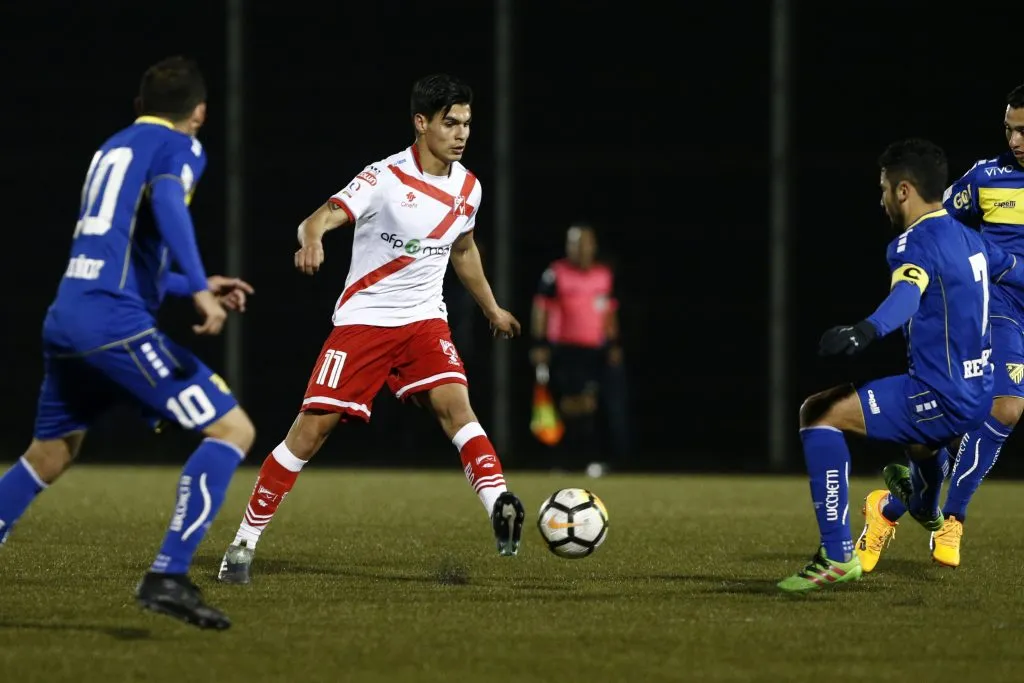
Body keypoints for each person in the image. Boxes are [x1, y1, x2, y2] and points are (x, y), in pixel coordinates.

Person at [217, 73, 524, 585]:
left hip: (426, 320)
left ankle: (499, 502)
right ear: (421, 123)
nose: (462, 133)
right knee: (310, 433)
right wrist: (312, 240)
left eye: (468, 123)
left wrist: (491, 308)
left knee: (456, 406)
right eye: (451, 123)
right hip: (365, 322)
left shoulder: (469, 188)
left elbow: (463, 249)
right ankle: (244, 543)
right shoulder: (384, 177)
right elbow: (318, 218)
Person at [0, 57, 256, 629]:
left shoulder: (112, 145)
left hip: (68, 315)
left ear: (141, 107)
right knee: (233, 429)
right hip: (111, 325)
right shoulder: (182, 147)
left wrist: (194, 283)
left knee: (50, 453)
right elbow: (168, 205)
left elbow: (119, 259)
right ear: (199, 113)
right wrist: (200, 291)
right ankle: (168, 575)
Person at [778, 138, 1024, 593]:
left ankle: (835, 555)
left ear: (905, 190)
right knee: (922, 449)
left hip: (937, 395)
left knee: (818, 414)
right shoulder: (970, 236)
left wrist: (864, 331)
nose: (882, 197)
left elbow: (906, 293)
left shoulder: (912, 244)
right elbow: (1010, 266)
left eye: (884, 187)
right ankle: (926, 505)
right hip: (978, 397)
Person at [856, 84, 1024, 571]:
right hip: (999, 306)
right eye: (1010, 130)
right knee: (1006, 407)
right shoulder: (987, 178)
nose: (1015, 140)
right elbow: (937, 222)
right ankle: (954, 519)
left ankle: (886, 511)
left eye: (1023, 131)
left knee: (950, 432)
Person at [529, 224, 626, 470]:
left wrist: (614, 343)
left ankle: (592, 458)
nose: (580, 249)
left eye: (585, 243)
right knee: (568, 404)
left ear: (593, 246)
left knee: (593, 403)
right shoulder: (556, 273)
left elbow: (609, 312)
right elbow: (541, 308)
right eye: (575, 244)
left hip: (594, 350)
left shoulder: (603, 275)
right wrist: (539, 343)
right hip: (564, 348)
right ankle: (563, 459)